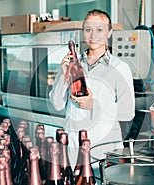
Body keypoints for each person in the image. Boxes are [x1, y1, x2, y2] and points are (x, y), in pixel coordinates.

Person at [49, 9, 135, 166]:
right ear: (83, 32)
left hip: (106, 154)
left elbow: (128, 112)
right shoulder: (72, 64)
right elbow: (56, 104)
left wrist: (94, 104)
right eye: (88, 30)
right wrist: (64, 75)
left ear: (109, 32)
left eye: (99, 30)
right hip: (73, 152)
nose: (93, 36)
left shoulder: (120, 68)